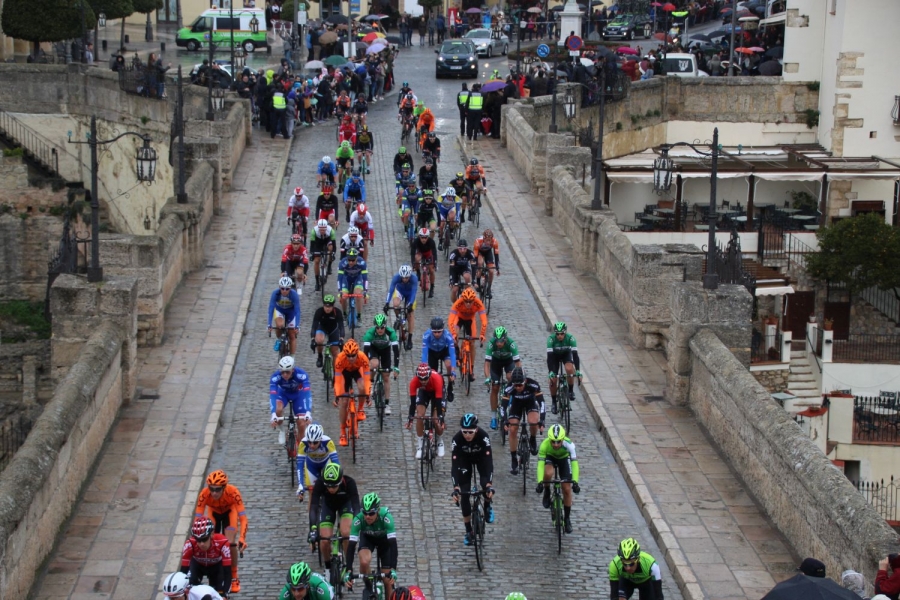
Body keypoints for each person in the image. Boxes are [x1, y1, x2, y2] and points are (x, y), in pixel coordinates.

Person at [194, 470, 248, 593]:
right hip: (213, 513)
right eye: (211, 489)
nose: (214, 492)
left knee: (230, 542)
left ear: (224, 487)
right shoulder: (204, 494)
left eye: (217, 489)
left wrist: (242, 538)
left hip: (230, 512)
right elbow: (198, 518)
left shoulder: (233, 492)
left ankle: (234, 576)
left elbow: (243, 518)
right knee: (209, 538)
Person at [450, 413, 495, 546]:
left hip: (481, 458)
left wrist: (489, 484)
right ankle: (469, 531)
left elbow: (488, 463)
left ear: (476, 430)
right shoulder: (457, 439)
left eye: (470, 432)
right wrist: (455, 487)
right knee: (464, 494)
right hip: (465, 461)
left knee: (484, 484)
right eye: (464, 432)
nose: (467, 435)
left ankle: (487, 506)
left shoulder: (483, 437)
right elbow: (455, 465)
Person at [343, 493, 398, 598]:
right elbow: (351, 546)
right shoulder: (358, 520)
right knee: (364, 562)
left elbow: (393, 545)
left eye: (371, 513)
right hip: (368, 539)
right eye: (365, 513)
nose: (367, 516)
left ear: (377, 510)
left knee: (388, 581)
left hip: (384, 541)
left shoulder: (386, 517)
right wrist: (348, 570)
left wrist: (393, 569)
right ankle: (369, 586)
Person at [308, 462, 360, 570]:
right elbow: (313, 506)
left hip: (345, 505)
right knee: (324, 540)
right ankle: (328, 567)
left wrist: (357, 523)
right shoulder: (320, 483)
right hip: (328, 506)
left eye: (334, 486)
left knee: (346, 533)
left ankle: (348, 566)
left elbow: (356, 506)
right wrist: (313, 528)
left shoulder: (349, 483)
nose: (331, 489)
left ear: (340, 481)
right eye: (328, 486)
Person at [535, 424, 580, 534]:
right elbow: (540, 465)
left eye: (558, 442)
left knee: (567, 488)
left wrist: (575, 482)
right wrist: (540, 482)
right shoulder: (544, 445)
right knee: (548, 472)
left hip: (564, 459)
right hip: (550, 458)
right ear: (549, 440)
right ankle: (547, 490)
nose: (555, 444)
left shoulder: (569, 445)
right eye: (553, 442)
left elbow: (574, 464)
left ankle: (567, 518)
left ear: (563, 439)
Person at [502, 366, 544, 474]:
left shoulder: (533, 385)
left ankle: (533, 438)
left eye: (520, 385)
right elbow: (503, 407)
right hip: (516, 405)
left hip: (530, 403)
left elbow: (542, 403)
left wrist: (542, 420)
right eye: (515, 385)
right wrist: (505, 421)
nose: (518, 388)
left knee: (533, 422)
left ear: (525, 381)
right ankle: (513, 458)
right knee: (513, 430)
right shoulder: (509, 388)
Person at [333, 339, 371, 446]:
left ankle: (360, 410)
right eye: (348, 356)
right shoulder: (340, 359)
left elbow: (367, 378)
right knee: (344, 402)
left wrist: (367, 394)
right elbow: (338, 380)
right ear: (345, 354)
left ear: (357, 353)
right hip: (344, 374)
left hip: (357, 372)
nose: (350, 358)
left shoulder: (363, 357)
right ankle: (342, 432)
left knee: (362, 387)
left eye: (353, 355)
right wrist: (337, 395)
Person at [180, 517, 232, 595]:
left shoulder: (223, 542)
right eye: (198, 540)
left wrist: (225, 594)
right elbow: (183, 571)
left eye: (204, 539)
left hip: (216, 567)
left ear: (211, 534)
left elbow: (227, 572)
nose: (201, 544)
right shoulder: (190, 544)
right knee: (190, 588)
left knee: (219, 592)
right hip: (197, 566)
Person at [484, 326, 522, 430]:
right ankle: (493, 418)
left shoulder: (511, 344)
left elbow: (517, 363)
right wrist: (487, 377)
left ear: (505, 339)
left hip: (508, 362)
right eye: (497, 341)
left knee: (511, 376)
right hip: (495, 363)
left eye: (501, 341)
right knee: (495, 387)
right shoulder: (491, 344)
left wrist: (519, 376)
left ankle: (511, 396)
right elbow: (487, 364)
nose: (499, 343)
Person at [270, 355, 313, 444]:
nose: (285, 375)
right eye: (282, 372)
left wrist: (308, 412)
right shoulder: (275, 377)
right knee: (278, 410)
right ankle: (282, 431)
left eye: (287, 372)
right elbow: (273, 395)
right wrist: (273, 414)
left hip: (298, 395)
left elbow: (307, 394)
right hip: (283, 394)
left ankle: (301, 448)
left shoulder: (301, 375)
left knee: (301, 423)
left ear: (293, 370)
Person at [362, 313, 400, 414]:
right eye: (378, 327)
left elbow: (396, 351)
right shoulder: (370, 333)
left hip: (385, 350)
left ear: (385, 326)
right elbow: (365, 353)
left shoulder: (390, 333)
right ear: (375, 326)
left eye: (382, 327)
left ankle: (387, 404)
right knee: (374, 364)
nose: (380, 330)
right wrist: (365, 368)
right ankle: (370, 383)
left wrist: (396, 367)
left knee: (386, 376)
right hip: (374, 349)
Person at [408, 362, 447, 458]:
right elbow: (413, 403)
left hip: (437, 393)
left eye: (425, 378)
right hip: (424, 392)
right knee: (420, 416)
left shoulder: (437, 379)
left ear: (429, 375)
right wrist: (410, 418)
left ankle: (440, 441)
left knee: (436, 419)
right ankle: (420, 446)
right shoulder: (414, 382)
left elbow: (438, 401)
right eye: (420, 379)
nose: (423, 381)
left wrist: (440, 417)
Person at [296, 423, 340, 501]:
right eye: (309, 442)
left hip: (326, 465)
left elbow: (336, 463)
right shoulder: (303, 443)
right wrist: (300, 486)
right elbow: (300, 465)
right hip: (311, 466)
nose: (312, 445)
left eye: (315, 442)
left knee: (330, 492)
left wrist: (339, 480)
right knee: (312, 495)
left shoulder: (328, 442)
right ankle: (312, 512)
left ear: (320, 439)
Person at [546, 321, 582, 414]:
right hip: (554, 356)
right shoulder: (551, 339)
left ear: (565, 332)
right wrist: (550, 372)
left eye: (562, 334)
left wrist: (578, 371)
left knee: (569, 369)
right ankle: (554, 401)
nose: (560, 336)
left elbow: (575, 355)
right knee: (553, 379)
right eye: (557, 334)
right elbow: (549, 358)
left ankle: (570, 390)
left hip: (566, 354)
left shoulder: (571, 339)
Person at [385, 265, 419, 351]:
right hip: (400, 291)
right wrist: (386, 303)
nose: (404, 279)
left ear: (410, 276)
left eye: (407, 278)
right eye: (403, 278)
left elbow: (414, 292)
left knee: (410, 314)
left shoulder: (414, 278)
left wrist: (410, 304)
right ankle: (399, 318)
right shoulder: (396, 277)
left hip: (410, 294)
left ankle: (410, 339)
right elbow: (391, 290)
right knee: (396, 304)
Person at [268, 276, 301, 356]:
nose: (284, 291)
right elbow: (271, 308)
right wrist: (269, 324)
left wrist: (297, 325)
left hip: (291, 312)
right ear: (279, 287)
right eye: (282, 288)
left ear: (290, 288)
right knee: (279, 325)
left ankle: (292, 358)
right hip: (279, 310)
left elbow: (297, 311)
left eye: (287, 289)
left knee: (292, 335)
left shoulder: (294, 295)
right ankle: (279, 339)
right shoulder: (275, 293)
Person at [309, 294, 345, 369]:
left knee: (335, 353)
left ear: (333, 306)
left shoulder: (337, 312)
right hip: (322, 328)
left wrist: (341, 339)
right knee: (319, 340)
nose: (327, 308)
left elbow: (341, 327)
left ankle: (335, 375)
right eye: (326, 306)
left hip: (333, 330)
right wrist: (312, 339)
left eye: (329, 307)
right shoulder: (319, 312)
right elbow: (314, 326)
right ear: (323, 305)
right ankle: (320, 356)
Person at [337, 248, 368, 319]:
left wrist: (365, 290)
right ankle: (344, 314)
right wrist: (340, 290)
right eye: (349, 260)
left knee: (358, 295)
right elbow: (339, 278)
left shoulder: (362, 263)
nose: (350, 262)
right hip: (346, 279)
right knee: (344, 297)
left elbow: (365, 278)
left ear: (356, 258)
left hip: (357, 278)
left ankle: (359, 315)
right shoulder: (342, 262)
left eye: (353, 260)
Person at [410, 228, 437, 298]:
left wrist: (435, 263)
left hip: (428, 255)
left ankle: (432, 287)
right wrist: (413, 263)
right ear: (419, 236)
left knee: (431, 270)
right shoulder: (416, 241)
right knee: (416, 258)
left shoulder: (431, 242)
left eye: (425, 237)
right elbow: (412, 253)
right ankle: (418, 272)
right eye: (422, 237)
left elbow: (434, 253)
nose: (424, 239)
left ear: (428, 237)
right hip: (420, 254)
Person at [310, 219, 336, 291]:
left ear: (326, 228)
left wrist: (333, 253)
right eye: (320, 230)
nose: (322, 231)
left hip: (327, 240)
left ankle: (329, 265)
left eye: (323, 230)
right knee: (317, 261)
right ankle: (317, 282)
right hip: (318, 243)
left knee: (330, 248)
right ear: (318, 228)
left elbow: (334, 244)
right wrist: (312, 254)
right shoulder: (314, 231)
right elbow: (312, 245)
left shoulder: (331, 231)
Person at [473, 228, 500, 296]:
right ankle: (478, 283)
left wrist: (497, 267)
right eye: (487, 240)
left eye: (489, 240)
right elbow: (475, 256)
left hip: (488, 253)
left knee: (491, 271)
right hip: (480, 252)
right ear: (484, 239)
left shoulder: (495, 242)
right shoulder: (478, 242)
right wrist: (476, 267)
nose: (488, 242)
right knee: (480, 263)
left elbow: (496, 255)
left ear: (492, 239)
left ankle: (489, 288)